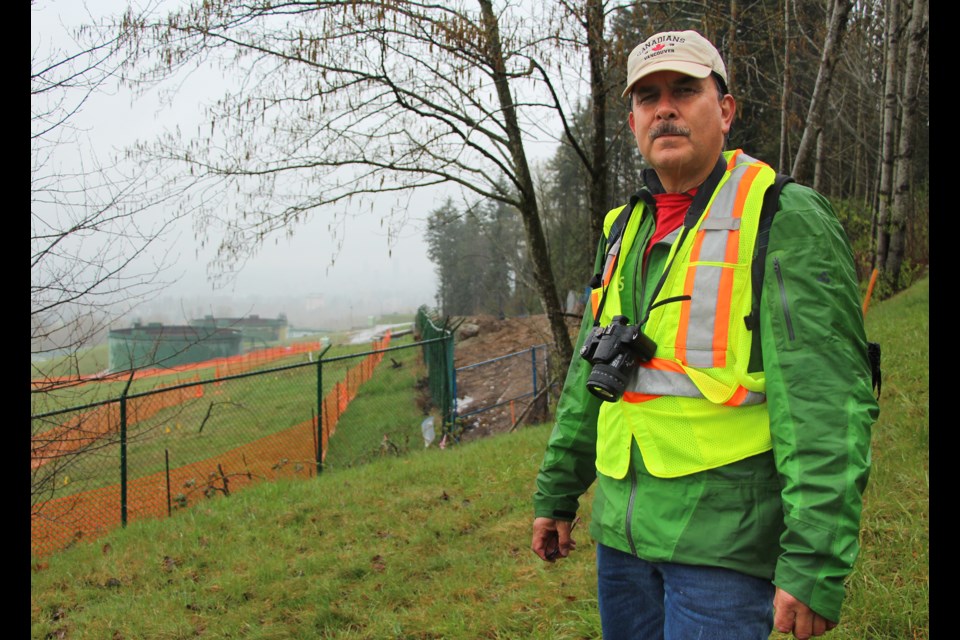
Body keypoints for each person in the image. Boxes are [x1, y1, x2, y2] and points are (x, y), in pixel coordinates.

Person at [530, 30, 878, 640]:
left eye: (685, 90)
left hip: (723, 545)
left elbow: (825, 402)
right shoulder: (622, 229)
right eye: (647, 97)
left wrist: (816, 558)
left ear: (725, 108)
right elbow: (592, 378)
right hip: (622, 541)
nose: (664, 107)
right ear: (633, 120)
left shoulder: (782, 217)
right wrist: (558, 493)